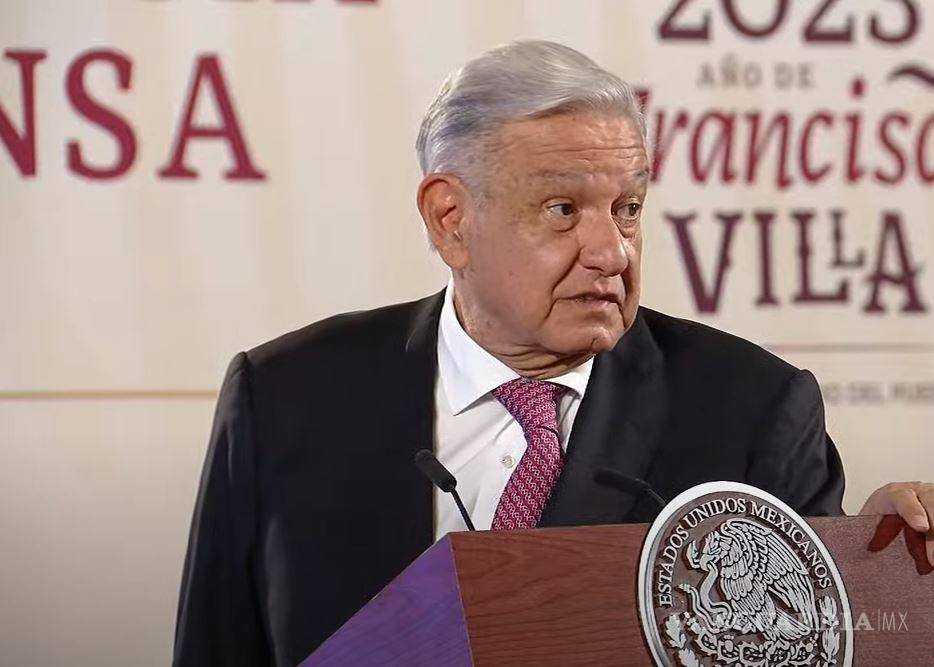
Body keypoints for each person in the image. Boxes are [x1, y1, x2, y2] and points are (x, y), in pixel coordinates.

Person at [173, 40, 934, 666]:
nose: (612, 251)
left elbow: (813, 639)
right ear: (450, 218)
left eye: (627, 208)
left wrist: (872, 581)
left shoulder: (752, 411)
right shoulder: (286, 397)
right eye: (563, 209)